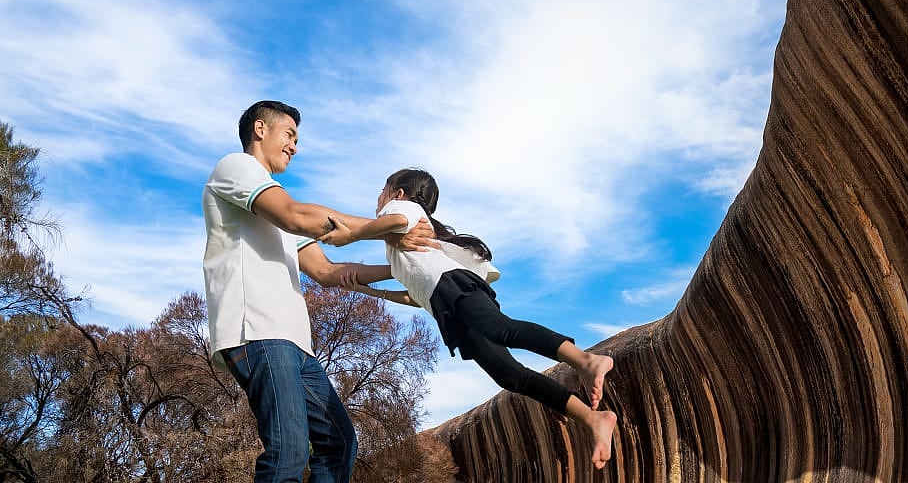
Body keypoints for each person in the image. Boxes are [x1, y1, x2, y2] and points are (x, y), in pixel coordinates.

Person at [201, 101, 436, 483]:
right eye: (289, 135)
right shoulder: (237, 167)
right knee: (288, 453)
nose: (294, 146)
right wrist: (390, 228)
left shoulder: (275, 204)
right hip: (258, 331)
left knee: (338, 444)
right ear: (260, 130)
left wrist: (406, 272)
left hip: (294, 343)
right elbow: (297, 215)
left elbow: (327, 272)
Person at [337, 168, 618, 471]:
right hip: (445, 301)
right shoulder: (400, 250)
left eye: (383, 189)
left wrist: (352, 233)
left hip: (453, 286)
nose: (379, 196)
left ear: (398, 192)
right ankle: (592, 418)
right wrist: (370, 292)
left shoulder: (401, 208)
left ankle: (585, 361)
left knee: (500, 328)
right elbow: (413, 296)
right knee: (508, 374)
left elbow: (395, 221)